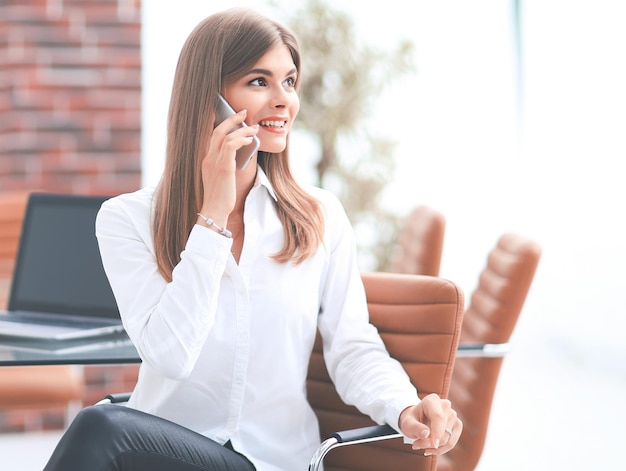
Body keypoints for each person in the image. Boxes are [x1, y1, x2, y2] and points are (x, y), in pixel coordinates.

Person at [43, 7, 462, 471]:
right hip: (160, 454)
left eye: (289, 81)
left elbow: (353, 347)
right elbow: (170, 356)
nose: (283, 100)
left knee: (100, 428)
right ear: (208, 98)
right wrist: (213, 217)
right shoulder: (126, 219)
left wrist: (405, 406)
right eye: (259, 82)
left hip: (270, 462)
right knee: (104, 425)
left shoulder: (319, 216)